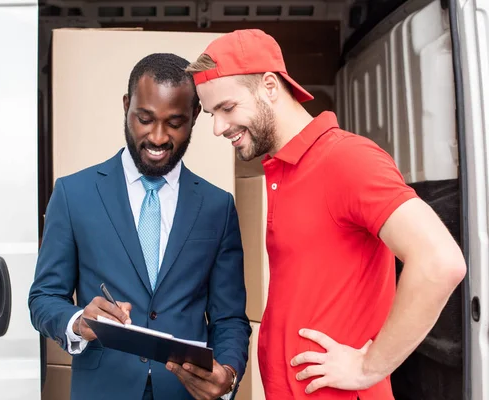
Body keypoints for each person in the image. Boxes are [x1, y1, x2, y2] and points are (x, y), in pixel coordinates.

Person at [186, 29, 466, 400]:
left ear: (269, 85)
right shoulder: (282, 168)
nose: (218, 127)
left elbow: (440, 262)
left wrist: (370, 367)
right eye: (211, 113)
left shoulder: (346, 159)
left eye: (227, 108)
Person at [28, 53, 251, 400]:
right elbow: (43, 298)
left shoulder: (217, 207)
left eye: (174, 122)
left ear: (194, 116)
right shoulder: (74, 194)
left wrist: (229, 373)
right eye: (145, 119)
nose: (158, 137)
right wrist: (78, 322)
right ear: (126, 106)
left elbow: (230, 319)